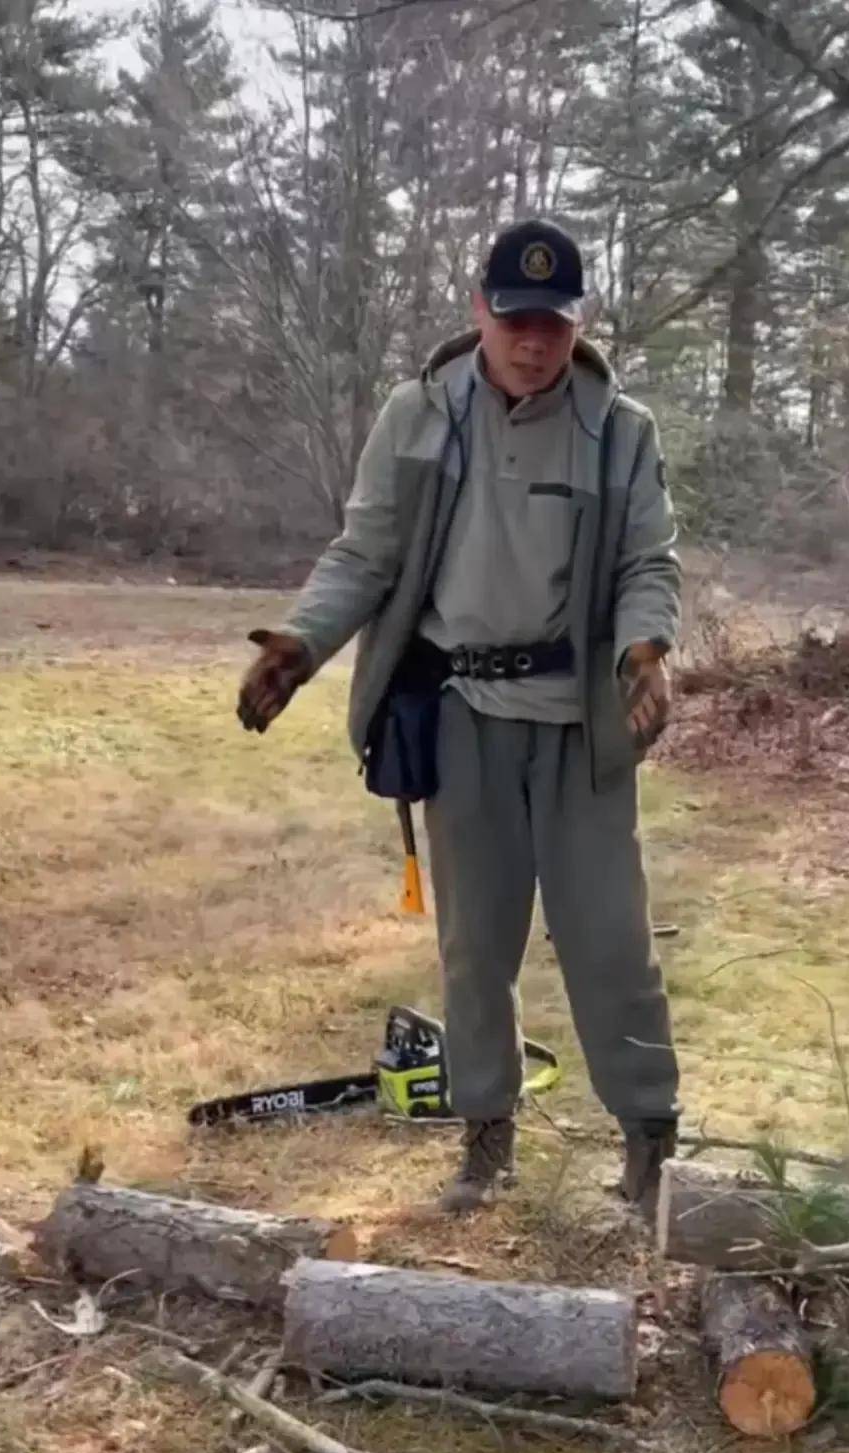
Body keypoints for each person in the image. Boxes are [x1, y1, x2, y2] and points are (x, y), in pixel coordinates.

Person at [238, 217, 682, 1217]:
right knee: (476, 944)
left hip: (577, 723)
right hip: (464, 713)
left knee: (609, 937)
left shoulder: (621, 429)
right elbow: (367, 553)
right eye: (515, 319)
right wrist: (302, 644)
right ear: (480, 310)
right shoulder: (421, 414)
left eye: (554, 325)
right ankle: (487, 1138)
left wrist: (643, 650)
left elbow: (650, 563)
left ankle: (650, 1141)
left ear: (579, 324)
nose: (533, 342)